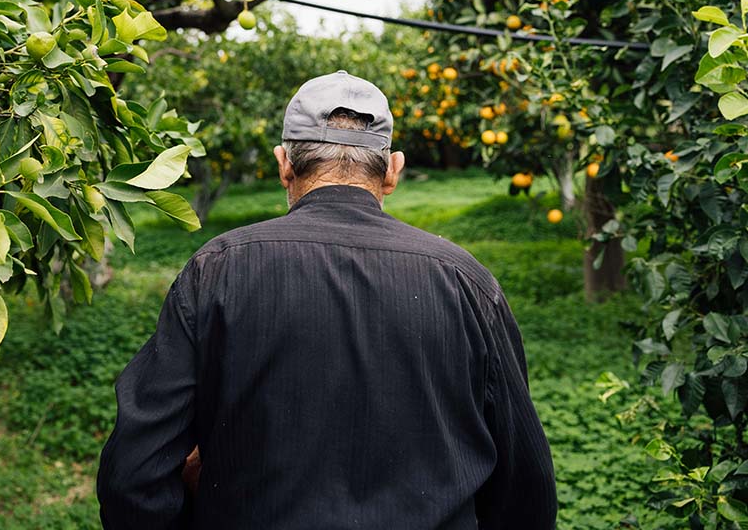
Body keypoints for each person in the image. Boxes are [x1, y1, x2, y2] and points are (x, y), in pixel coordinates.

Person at [97, 71, 557, 529]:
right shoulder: (465, 281)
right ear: (392, 170)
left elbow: (135, 474)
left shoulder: (217, 270)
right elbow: (525, 490)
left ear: (284, 164)